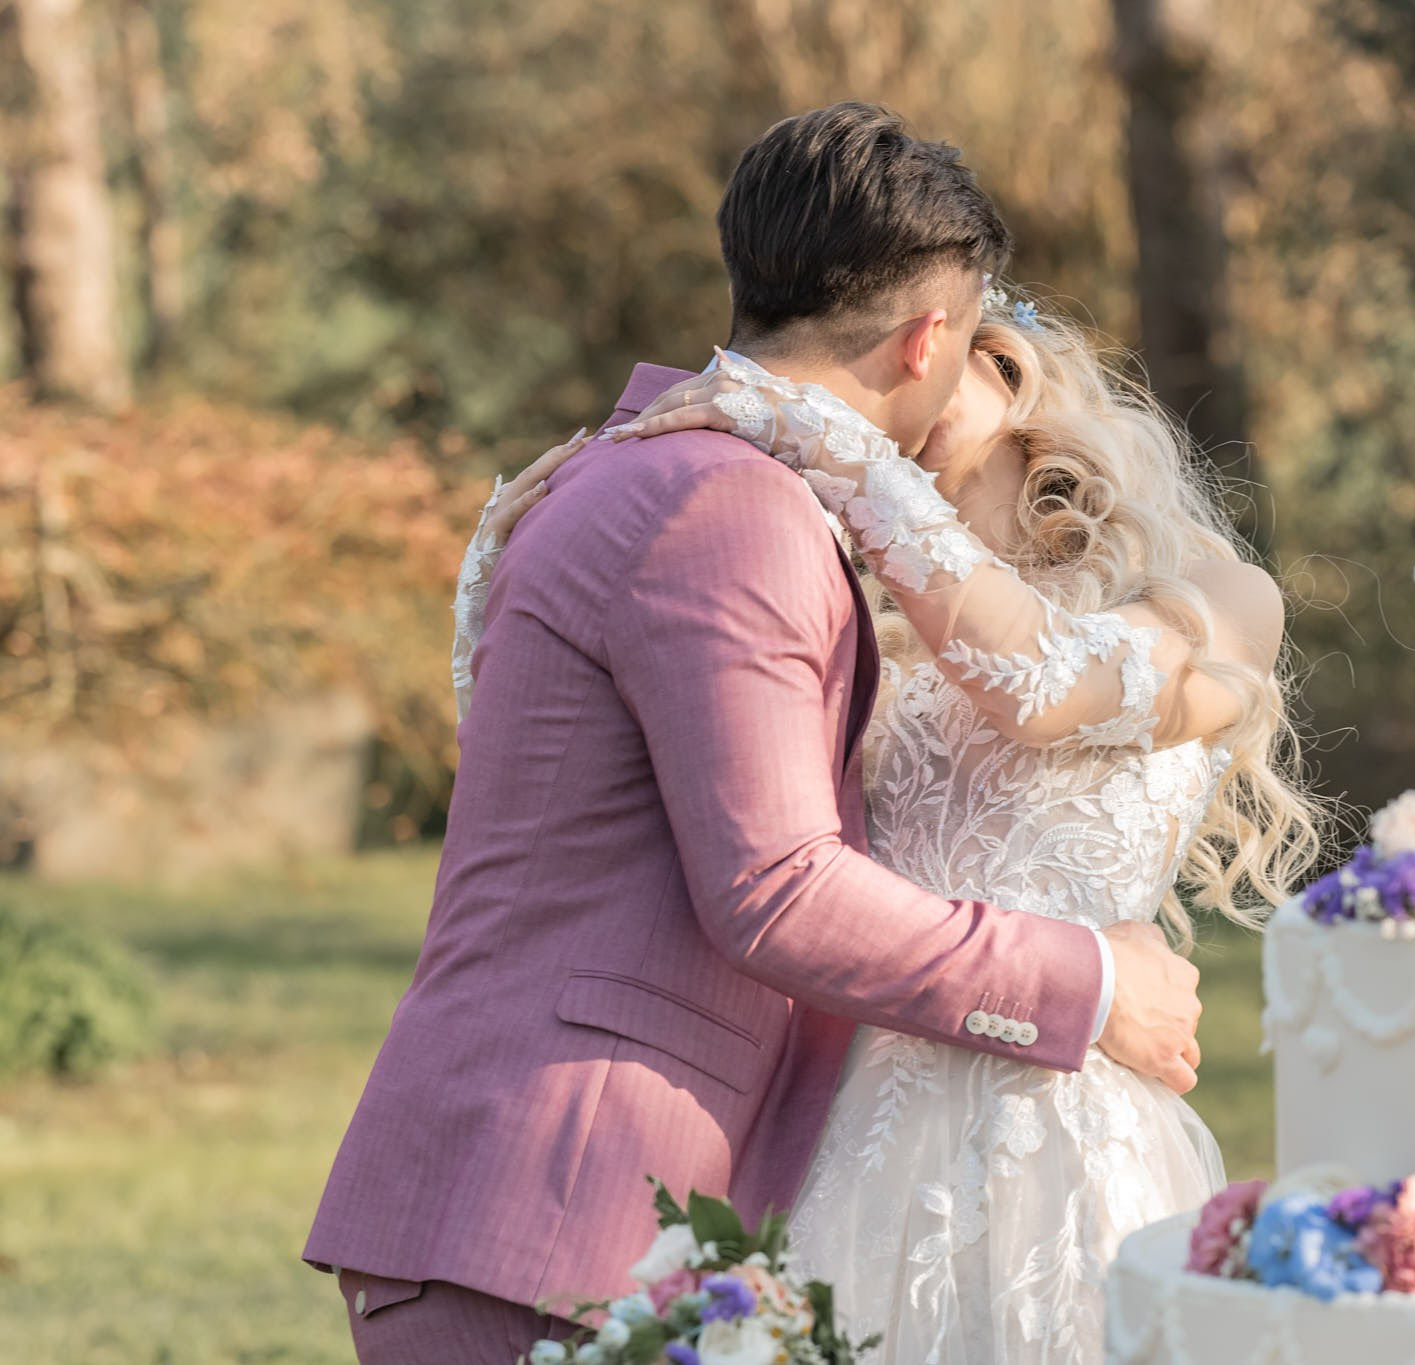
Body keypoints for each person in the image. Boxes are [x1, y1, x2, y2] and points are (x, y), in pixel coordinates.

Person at [302, 103, 1211, 1365]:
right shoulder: (728, 508)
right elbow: (776, 890)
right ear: (927, 337)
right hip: (557, 1203)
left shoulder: (661, 471)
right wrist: (1092, 983)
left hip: (574, 1209)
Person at [468, 291, 1322, 1360]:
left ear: (996, 363)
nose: (880, 398)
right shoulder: (831, 601)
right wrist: (506, 577)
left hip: (1069, 1122)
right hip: (844, 1132)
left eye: (906, 360)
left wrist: (825, 441)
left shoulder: (1217, 597)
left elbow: (1041, 685)